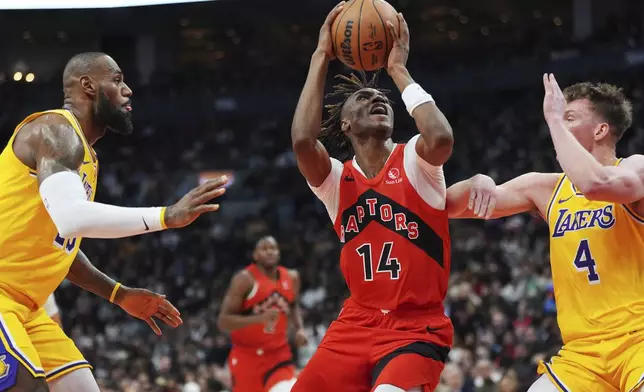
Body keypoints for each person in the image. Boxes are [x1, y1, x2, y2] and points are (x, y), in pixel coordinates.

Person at [0, 52, 228, 391]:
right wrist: (165, 216)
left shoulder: (84, 157)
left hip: (27, 307)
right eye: (118, 80)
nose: (128, 90)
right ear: (88, 85)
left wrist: (118, 294)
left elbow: (60, 247)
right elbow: (72, 220)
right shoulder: (55, 131)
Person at [290, 3, 457, 391]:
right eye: (363, 99)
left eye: (382, 99)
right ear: (345, 123)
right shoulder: (336, 180)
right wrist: (320, 56)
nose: (377, 100)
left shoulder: (415, 159)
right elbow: (302, 141)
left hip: (417, 326)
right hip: (356, 322)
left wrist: (398, 70)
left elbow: (442, 138)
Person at [448, 74, 644, 392]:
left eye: (570, 117)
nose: (558, 125)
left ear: (601, 129)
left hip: (638, 339)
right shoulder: (546, 188)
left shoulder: (635, 168)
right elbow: (452, 206)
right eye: (560, 118)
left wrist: (554, 119)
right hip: (582, 356)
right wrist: (474, 183)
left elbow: (595, 185)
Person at [218, 235, 307, 392]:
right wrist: (259, 319)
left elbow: (294, 305)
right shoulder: (244, 280)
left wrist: (299, 328)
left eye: (273, 248)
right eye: (264, 249)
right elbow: (224, 321)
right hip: (248, 357)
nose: (269, 252)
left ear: (279, 253)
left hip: (280, 355)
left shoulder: (292, 277)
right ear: (255, 255)